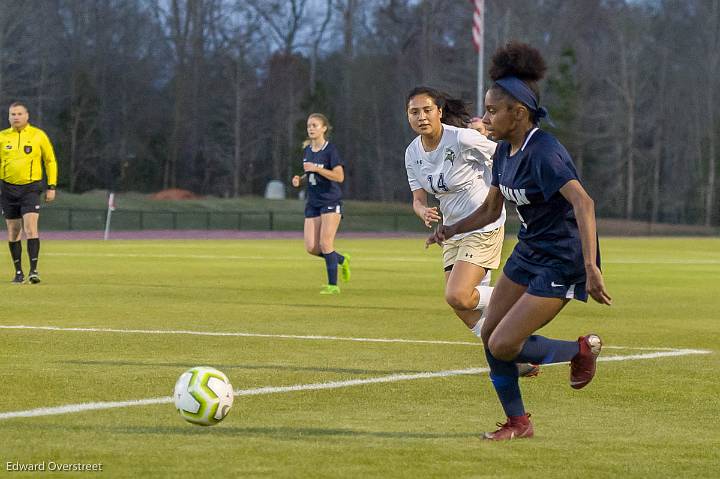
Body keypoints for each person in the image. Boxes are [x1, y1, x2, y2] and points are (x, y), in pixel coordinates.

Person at [427, 42, 612, 440]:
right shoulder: (503, 153)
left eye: (493, 111)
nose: (485, 116)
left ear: (520, 113)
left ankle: (579, 351)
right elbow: (492, 210)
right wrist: (450, 229)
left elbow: (584, 203)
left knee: (506, 343)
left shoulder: (544, 153)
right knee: (489, 338)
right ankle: (518, 423)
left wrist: (591, 266)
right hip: (528, 251)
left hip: (562, 259)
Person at [404, 86, 538, 377]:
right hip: (451, 232)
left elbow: (505, 152)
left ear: (439, 112)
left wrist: (513, 183)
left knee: (458, 295)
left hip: (483, 224)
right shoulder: (412, 153)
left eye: (427, 110)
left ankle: (520, 294)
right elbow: (417, 199)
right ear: (408, 117)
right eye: (414, 112)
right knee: (464, 308)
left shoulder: (462, 138)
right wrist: (422, 211)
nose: (421, 117)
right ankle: (514, 355)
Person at [291, 113, 350, 295]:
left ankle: (333, 286)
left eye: (315, 125)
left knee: (325, 244)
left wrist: (317, 168)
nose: (311, 128)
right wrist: (300, 180)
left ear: (324, 128)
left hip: (330, 201)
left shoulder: (330, 150)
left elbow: (339, 176)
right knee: (311, 247)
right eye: (309, 125)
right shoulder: (308, 150)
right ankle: (341, 260)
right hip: (313, 203)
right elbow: (310, 175)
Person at [0, 102, 58, 284]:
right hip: (7, 188)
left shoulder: (38, 135)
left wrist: (52, 186)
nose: (15, 117)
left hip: (30, 188)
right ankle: (19, 273)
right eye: (12, 114)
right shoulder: (2, 137)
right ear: (9, 117)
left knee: (31, 227)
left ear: (27, 116)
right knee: (13, 231)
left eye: (19, 113)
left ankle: (34, 271)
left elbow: (50, 161)